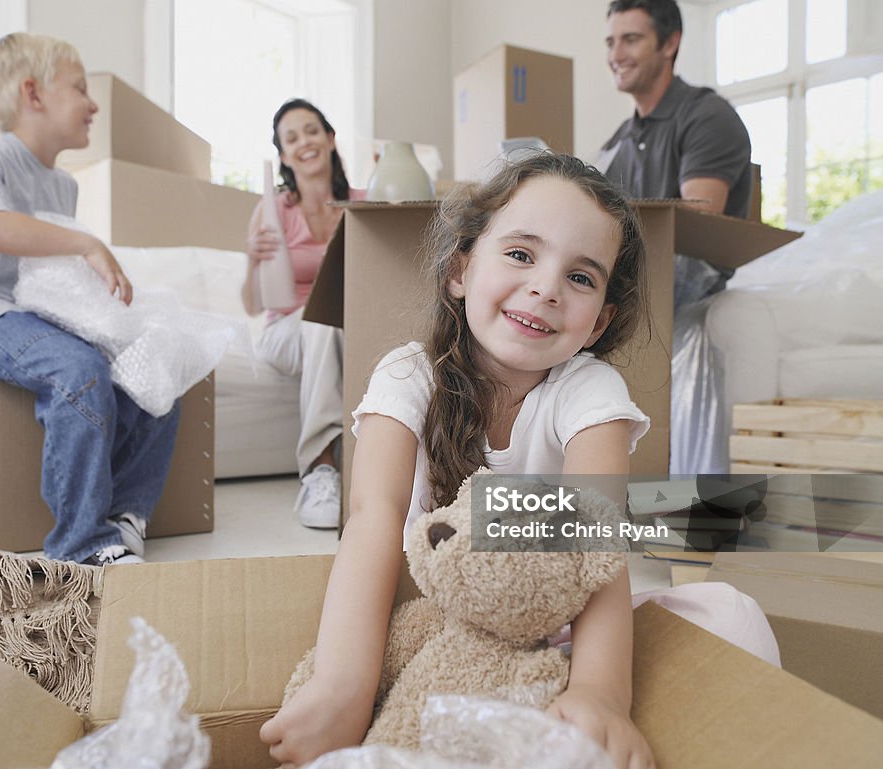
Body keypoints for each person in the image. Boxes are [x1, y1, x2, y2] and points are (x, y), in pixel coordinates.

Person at [260, 152, 658, 769]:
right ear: (461, 269)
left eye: (581, 278)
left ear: (599, 321)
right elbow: (374, 518)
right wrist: (344, 685)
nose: (546, 288)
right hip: (422, 620)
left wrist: (600, 694)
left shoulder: (589, 392)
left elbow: (596, 543)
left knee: (726, 616)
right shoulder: (408, 375)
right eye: (521, 254)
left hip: (536, 633)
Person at [0, 32, 180, 566]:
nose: (93, 105)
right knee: (81, 369)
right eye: (80, 89)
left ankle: (125, 515)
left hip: (41, 317)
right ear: (33, 93)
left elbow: (54, 274)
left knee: (159, 361)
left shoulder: (62, 185)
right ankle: (79, 545)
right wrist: (88, 244)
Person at [242, 98, 365, 529]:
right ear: (283, 157)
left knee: (335, 324)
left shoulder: (365, 205)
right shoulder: (273, 211)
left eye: (311, 131)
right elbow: (252, 306)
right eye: (290, 139)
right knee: (321, 320)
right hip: (287, 332)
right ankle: (319, 469)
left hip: (352, 327)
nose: (304, 142)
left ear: (330, 139)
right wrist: (253, 262)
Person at [599, 0, 752, 306]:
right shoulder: (622, 135)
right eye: (610, 43)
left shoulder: (707, 116)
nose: (615, 56)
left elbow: (692, 235)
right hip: (631, 285)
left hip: (682, 299)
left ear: (669, 43)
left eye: (631, 40)